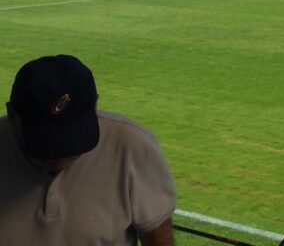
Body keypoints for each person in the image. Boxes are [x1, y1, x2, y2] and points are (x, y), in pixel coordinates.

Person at [1, 55, 176, 245]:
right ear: (13, 116)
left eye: (71, 140)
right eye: (46, 143)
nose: (59, 156)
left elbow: (157, 238)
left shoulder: (130, 144)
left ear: (95, 107)